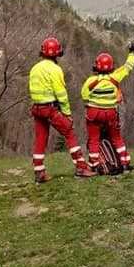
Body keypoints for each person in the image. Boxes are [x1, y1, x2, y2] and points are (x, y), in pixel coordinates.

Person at [28, 36, 94, 183]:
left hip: (37, 108)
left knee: (40, 138)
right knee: (69, 133)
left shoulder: (34, 69)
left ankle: (39, 172)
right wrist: (67, 114)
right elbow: (62, 95)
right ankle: (81, 167)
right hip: (50, 108)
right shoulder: (55, 69)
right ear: (57, 54)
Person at [81, 42, 134, 173]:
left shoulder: (90, 81)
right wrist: (132, 53)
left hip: (93, 114)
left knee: (94, 139)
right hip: (111, 113)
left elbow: (84, 96)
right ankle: (124, 162)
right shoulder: (115, 78)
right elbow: (128, 67)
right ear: (111, 66)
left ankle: (95, 165)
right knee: (116, 137)